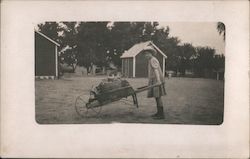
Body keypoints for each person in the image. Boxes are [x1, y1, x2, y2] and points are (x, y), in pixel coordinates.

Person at [143, 46, 166, 119]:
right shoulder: (150, 60)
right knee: (156, 97)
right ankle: (158, 112)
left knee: (158, 97)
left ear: (151, 53)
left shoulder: (153, 59)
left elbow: (156, 70)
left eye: (147, 53)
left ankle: (161, 115)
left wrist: (158, 81)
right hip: (154, 80)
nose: (146, 55)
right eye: (145, 54)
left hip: (157, 80)